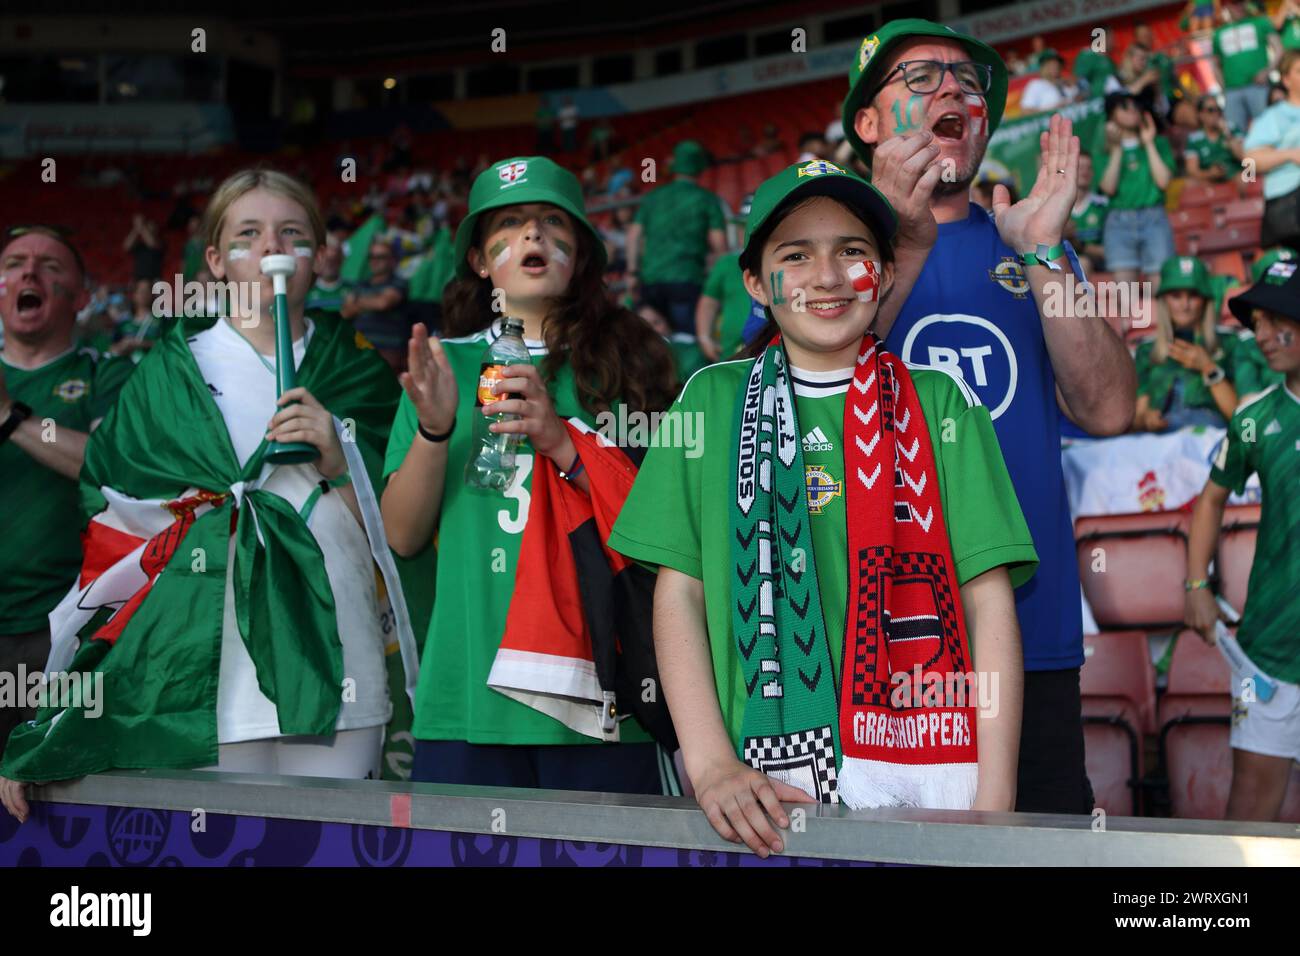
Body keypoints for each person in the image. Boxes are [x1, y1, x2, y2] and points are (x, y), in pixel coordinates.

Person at [609, 161, 1037, 855]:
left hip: (929, 799)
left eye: (852, 252)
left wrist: (995, 794)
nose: (828, 276)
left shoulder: (942, 403)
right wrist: (712, 762)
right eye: (795, 256)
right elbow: (679, 593)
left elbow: (986, 602)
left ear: (887, 272)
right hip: (758, 796)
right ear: (755, 282)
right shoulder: (710, 401)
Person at [0, 170, 419, 823]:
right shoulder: (168, 374)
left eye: (293, 234)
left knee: (338, 846)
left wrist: (342, 460)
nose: (272, 248)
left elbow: (407, 530)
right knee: (228, 844)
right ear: (217, 261)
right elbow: (113, 516)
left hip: (343, 660)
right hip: (206, 661)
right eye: (248, 234)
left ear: (321, 256)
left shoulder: (360, 368)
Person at [842, 19, 1136, 814]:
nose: (953, 90)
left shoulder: (1034, 246)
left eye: (967, 83)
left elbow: (1109, 409)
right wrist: (898, 245)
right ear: (867, 124)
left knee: (1041, 847)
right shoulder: (822, 245)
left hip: (1030, 633)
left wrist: (1045, 251)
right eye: (920, 78)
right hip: (874, 639)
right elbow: (812, 388)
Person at [380, 156, 681, 793]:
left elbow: (665, 535)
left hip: (602, 695)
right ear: (479, 261)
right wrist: (436, 429)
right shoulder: (440, 366)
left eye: (551, 221)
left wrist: (565, 445)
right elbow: (401, 537)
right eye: (511, 222)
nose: (533, 235)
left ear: (583, 252)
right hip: (466, 694)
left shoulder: (633, 365)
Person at [0, 226, 132, 754]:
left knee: (48, 802)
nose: (28, 273)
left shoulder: (107, 374)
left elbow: (112, 467)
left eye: (50, 266)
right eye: (13, 263)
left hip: (59, 630)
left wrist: (9, 417)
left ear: (80, 297)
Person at [1184, 259, 1300, 821]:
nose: (1260, 336)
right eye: (1256, 321)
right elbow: (1209, 500)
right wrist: (1196, 584)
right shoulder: (1254, 420)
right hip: (1268, 655)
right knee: (1250, 821)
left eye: (1277, 320)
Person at [625, 140, 727, 337]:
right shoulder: (707, 199)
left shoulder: (652, 197)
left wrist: (632, 272)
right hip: (687, 279)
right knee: (686, 340)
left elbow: (633, 236)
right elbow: (720, 245)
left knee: (653, 341)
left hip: (651, 279)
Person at [1133, 255, 1245, 432]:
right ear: (1163, 301)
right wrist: (1146, 419)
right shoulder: (1147, 349)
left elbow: (1242, 419)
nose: (1185, 305)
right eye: (1176, 296)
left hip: (1212, 436)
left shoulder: (1231, 343)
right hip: (1162, 441)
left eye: (1193, 296)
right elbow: (1138, 416)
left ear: (1206, 300)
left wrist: (1208, 367)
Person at [1095, 93, 1176, 287]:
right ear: (1111, 116)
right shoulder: (1103, 149)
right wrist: (1116, 150)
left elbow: (1164, 182)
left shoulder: (1159, 143)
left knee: (1160, 287)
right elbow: (1108, 188)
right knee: (1125, 296)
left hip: (1154, 216)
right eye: (1124, 107)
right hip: (1119, 221)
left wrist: (1148, 143)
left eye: (1135, 106)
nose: (1132, 111)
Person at [694, 199, 765, 362]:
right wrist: (704, 337)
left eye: (751, 226)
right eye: (742, 226)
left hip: (773, 348)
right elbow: (708, 302)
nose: (744, 232)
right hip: (732, 352)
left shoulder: (780, 261)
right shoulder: (726, 263)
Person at [1244, 49, 1300, 250]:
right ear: (1286, 80)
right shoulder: (1274, 117)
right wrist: (1290, 155)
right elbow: (1248, 164)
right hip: (1289, 203)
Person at [341, 239, 409, 374]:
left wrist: (357, 301)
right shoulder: (360, 285)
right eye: (371, 256)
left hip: (389, 354)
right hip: (360, 353)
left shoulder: (398, 282)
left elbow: (383, 303)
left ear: (392, 260)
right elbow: (345, 313)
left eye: (381, 257)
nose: (374, 260)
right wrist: (372, 302)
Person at [1213, 3, 1279, 134]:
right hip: (1232, 91)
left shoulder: (1260, 22)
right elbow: (1215, 65)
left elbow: (1279, 49)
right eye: (1234, 3)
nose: (1238, 7)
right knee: (1235, 133)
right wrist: (1223, 88)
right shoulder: (1218, 33)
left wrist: (1267, 71)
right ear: (1226, 7)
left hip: (1258, 87)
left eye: (1240, 2)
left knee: (1269, 129)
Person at [1185, 95, 1246, 180]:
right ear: (1200, 114)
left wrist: (1227, 133)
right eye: (1210, 110)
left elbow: (1244, 157)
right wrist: (1210, 173)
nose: (1216, 113)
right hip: (1209, 181)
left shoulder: (1232, 128)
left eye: (1218, 109)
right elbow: (1192, 170)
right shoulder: (1194, 139)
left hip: (1236, 176)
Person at [1066, 152, 1108, 272]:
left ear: (1093, 173)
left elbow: (1111, 251)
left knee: (1082, 263)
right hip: (1062, 259)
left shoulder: (1103, 205)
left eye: (1088, 168)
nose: (1084, 172)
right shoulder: (1058, 207)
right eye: (1079, 167)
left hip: (1096, 262)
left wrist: (1079, 244)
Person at [304, 240, 352, 319]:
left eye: (334, 259)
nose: (330, 264)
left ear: (341, 260)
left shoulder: (352, 290)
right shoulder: (306, 292)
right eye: (326, 260)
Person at [1072, 27, 1118, 97]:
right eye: (1110, 38)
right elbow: (1078, 77)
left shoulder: (1109, 59)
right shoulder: (1088, 55)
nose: (1113, 41)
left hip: (1112, 99)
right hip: (1096, 101)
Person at [121, 213, 162, 282]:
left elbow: (152, 244)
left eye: (151, 226)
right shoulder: (140, 245)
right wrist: (136, 229)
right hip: (138, 280)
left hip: (153, 280)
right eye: (147, 226)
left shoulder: (160, 242)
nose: (148, 228)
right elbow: (126, 246)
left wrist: (141, 226)